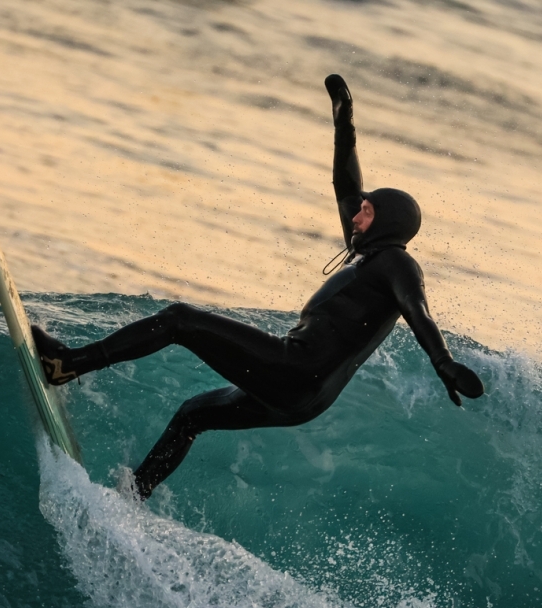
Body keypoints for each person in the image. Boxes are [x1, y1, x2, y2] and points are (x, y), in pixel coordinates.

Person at [32, 74, 484, 499]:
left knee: (178, 321)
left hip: (296, 369)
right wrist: (344, 121)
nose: (354, 215)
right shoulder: (368, 252)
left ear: (386, 221)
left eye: (365, 211)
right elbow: (345, 183)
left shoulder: (397, 263)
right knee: (193, 414)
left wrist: (443, 362)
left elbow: (417, 310)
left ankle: (69, 364)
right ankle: (134, 494)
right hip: (306, 397)